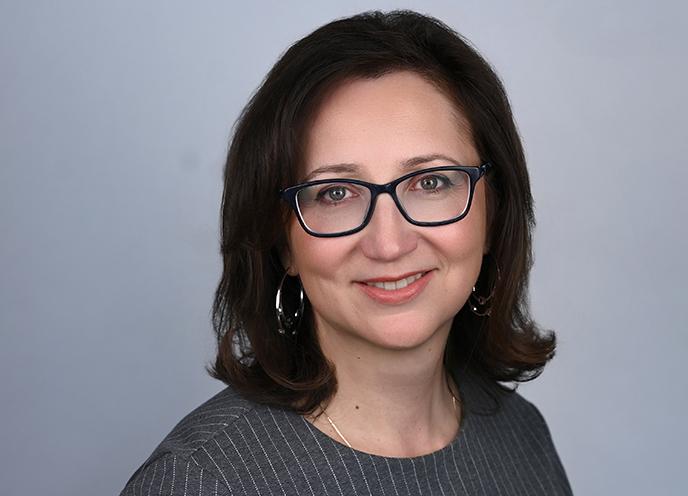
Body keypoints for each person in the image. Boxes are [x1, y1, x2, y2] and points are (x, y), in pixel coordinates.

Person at [121, 9, 572, 496]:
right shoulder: (199, 481)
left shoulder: (519, 437)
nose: (389, 243)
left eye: (431, 182)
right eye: (335, 193)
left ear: (493, 214)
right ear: (282, 241)